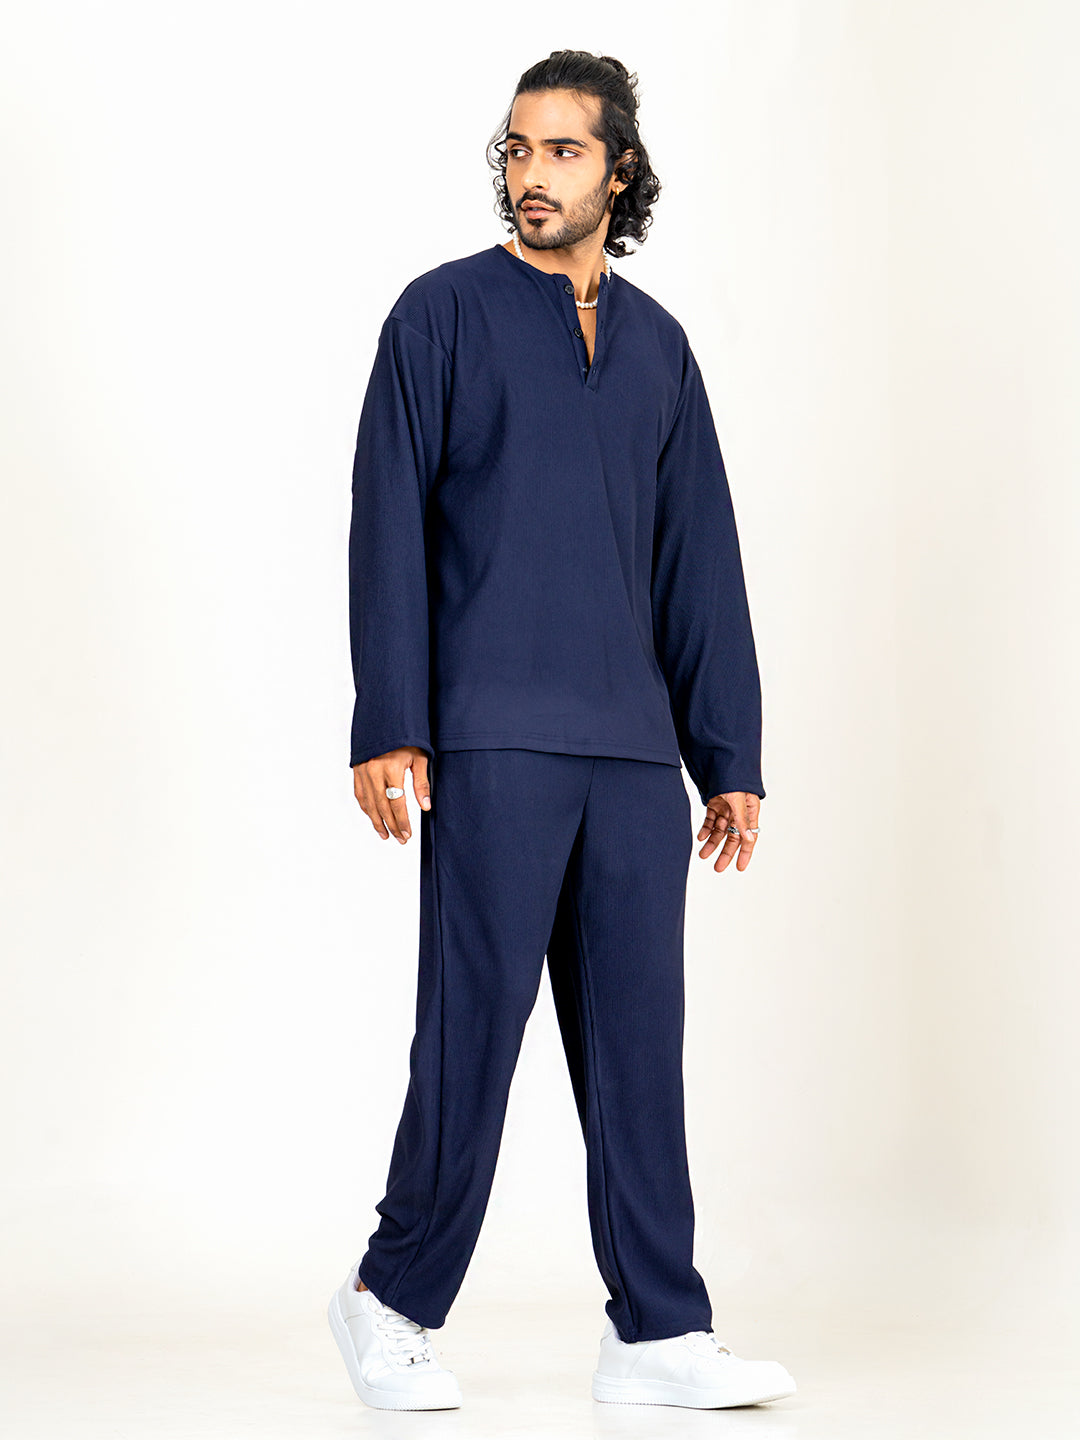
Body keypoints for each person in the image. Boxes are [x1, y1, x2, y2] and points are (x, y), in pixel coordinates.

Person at [326, 50, 796, 1413]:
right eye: (518, 150)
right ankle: (389, 1300)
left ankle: (658, 1329)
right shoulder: (441, 316)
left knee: (641, 1049)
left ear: (619, 171)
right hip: (491, 736)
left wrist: (728, 754)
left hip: (635, 753)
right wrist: (391, 720)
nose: (531, 175)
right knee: (470, 1035)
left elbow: (699, 557)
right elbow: (387, 520)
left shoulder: (659, 348)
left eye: (563, 151)